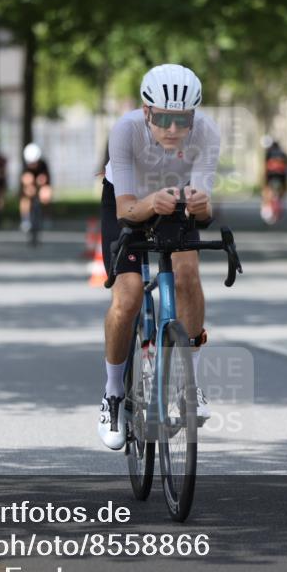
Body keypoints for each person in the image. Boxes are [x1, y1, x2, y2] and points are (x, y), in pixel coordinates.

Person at [98, 63, 219, 450]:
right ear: (146, 111)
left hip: (175, 202)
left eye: (181, 120)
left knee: (187, 277)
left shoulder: (208, 133)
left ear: (194, 116)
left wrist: (200, 205)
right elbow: (126, 211)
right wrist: (152, 202)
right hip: (128, 201)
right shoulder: (125, 130)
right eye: (163, 118)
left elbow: (203, 209)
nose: (172, 129)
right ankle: (114, 393)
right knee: (129, 296)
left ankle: (191, 385)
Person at [20, 143, 52, 233]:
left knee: (45, 194)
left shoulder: (43, 164)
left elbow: (45, 179)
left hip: (42, 184)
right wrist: (30, 184)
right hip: (30, 184)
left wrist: (40, 182)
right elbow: (24, 179)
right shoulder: (25, 165)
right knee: (26, 197)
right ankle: (25, 219)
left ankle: (46, 217)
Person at [261, 137, 287, 224]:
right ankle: (279, 209)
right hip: (281, 177)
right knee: (280, 195)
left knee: (267, 194)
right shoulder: (283, 154)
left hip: (271, 176)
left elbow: (265, 167)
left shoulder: (269, 153)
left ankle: (267, 211)